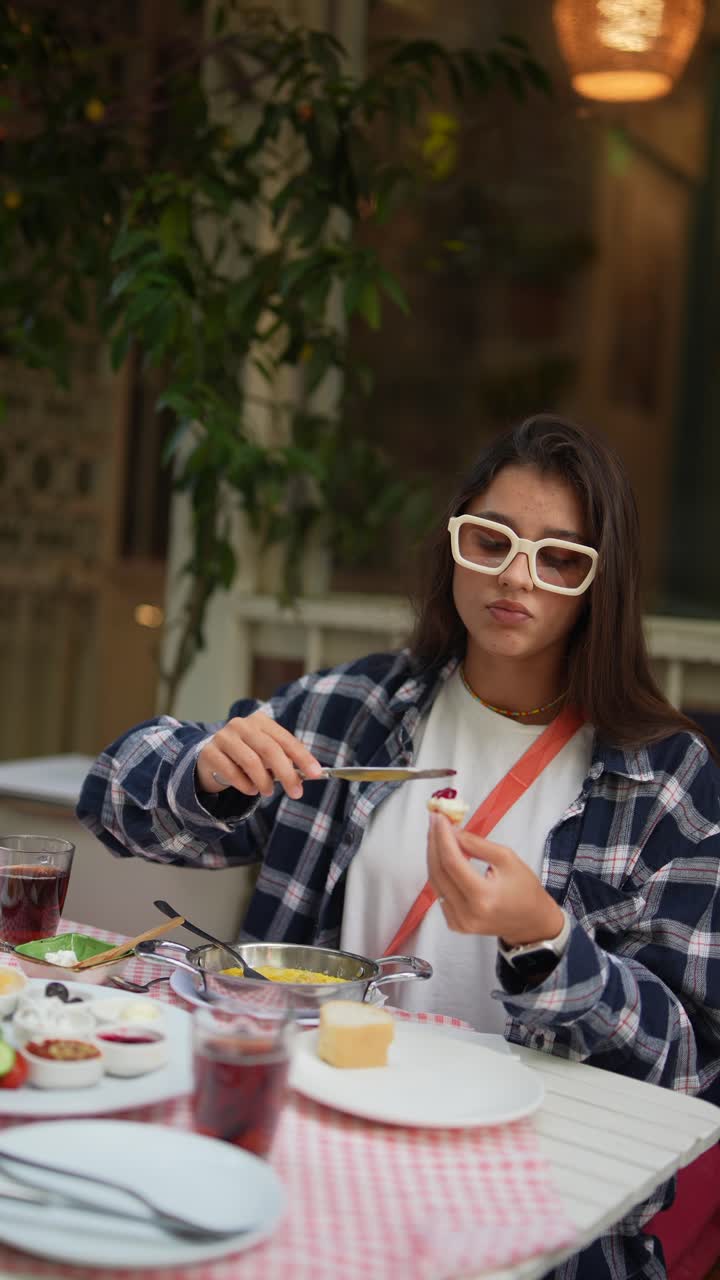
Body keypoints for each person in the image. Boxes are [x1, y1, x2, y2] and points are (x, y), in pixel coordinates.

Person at [78, 414, 720, 1280]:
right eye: (491, 540)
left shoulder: (661, 775)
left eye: (561, 558)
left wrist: (544, 940)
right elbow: (113, 800)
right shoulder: (353, 709)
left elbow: (687, 1064)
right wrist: (203, 773)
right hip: (315, 1148)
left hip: (540, 1200)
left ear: (601, 584)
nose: (515, 576)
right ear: (456, 543)